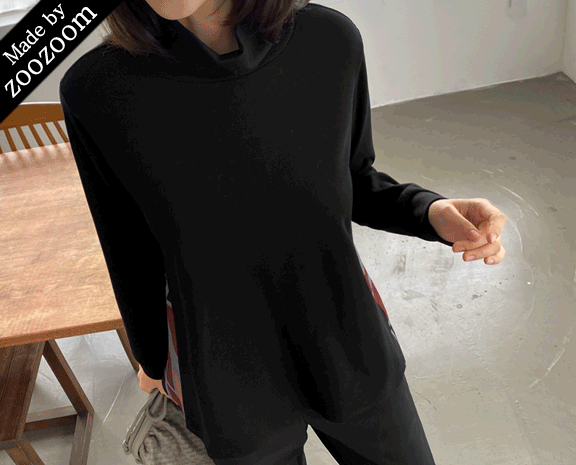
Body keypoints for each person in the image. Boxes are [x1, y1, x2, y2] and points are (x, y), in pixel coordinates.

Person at [59, 1, 507, 464]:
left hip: (348, 341)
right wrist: (152, 358)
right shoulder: (96, 90)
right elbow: (128, 248)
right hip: (225, 377)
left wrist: (428, 210)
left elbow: (351, 177)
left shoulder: (328, 40)